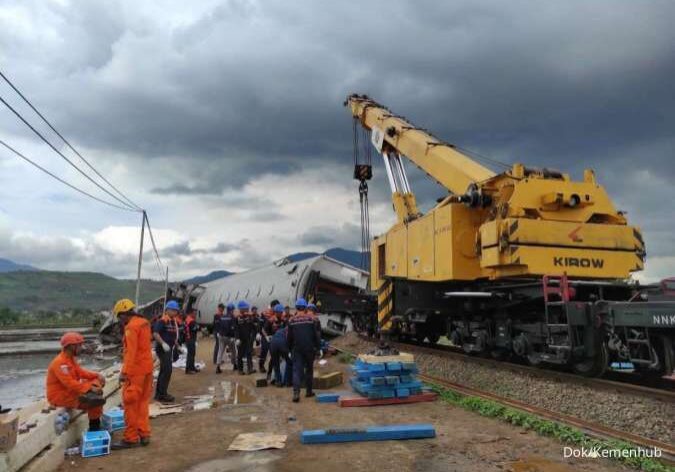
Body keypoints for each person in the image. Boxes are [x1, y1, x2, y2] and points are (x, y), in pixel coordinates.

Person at [111, 298, 153, 449]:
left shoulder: (131, 328)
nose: (119, 320)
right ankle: (144, 434)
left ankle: (131, 438)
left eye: (119, 316)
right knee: (142, 403)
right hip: (147, 369)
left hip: (135, 372)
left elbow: (131, 353)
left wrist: (124, 372)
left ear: (123, 314)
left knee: (130, 404)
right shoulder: (144, 323)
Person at [46, 332, 106, 431]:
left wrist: (97, 375)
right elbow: (69, 383)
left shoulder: (70, 359)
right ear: (71, 347)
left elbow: (81, 372)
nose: (81, 348)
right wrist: (89, 388)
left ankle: (90, 398)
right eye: (79, 345)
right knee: (96, 402)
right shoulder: (60, 363)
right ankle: (94, 428)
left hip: (71, 391)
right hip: (60, 396)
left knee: (95, 381)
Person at [287, 298, 321, 402]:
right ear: (305, 307)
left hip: (297, 349)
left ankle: (296, 393)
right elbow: (316, 335)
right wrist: (318, 348)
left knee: (297, 371)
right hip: (309, 348)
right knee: (309, 370)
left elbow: (289, 337)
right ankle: (308, 391)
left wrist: (289, 349)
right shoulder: (311, 319)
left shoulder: (291, 320)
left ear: (296, 307)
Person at [153, 300, 180, 402]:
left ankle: (159, 394)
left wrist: (178, 346)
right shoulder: (163, 320)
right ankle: (162, 394)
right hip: (163, 349)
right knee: (167, 370)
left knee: (164, 371)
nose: (175, 313)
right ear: (167, 310)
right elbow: (155, 334)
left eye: (176, 311)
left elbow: (173, 336)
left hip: (169, 349)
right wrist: (163, 343)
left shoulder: (173, 321)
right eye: (173, 310)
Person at [268, 304, 291, 387]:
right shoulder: (271, 320)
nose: (280, 314)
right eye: (279, 312)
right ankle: (287, 381)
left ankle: (278, 381)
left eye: (281, 312)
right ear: (276, 312)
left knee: (276, 363)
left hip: (273, 343)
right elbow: (264, 329)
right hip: (280, 343)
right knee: (289, 361)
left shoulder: (284, 321)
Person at [234, 300, 257, 374]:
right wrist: (237, 338)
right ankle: (240, 370)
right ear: (241, 309)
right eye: (246, 308)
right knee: (240, 354)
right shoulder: (237, 318)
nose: (247, 309)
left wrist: (256, 333)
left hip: (248, 338)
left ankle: (250, 368)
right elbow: (236, 329)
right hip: (240, 339)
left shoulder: (249, 316)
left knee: (249, 353)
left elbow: (252, 326)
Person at [215, 303, 236, 373]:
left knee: (220, 351)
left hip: (221, 336)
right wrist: (233, 337)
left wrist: (218, 333)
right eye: (233, 310)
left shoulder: (222, 316)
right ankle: (234, 364)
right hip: (229, 337)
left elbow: (219, 326)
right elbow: (232, 328)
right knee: (233, 351)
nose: (233, 311)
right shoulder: (232, 317)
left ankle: (218, 367)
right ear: (231, 310)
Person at [184, 308, 199, 374]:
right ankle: (189, 369)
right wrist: (198, 327)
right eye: (194, 313)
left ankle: (192, 367)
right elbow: (196, 328)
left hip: (188, 338)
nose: (195, 314)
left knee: (191, 354)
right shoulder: (191, 321)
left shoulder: (187, 319)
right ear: (191, 313)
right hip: (190, 339)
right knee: (191, 354)